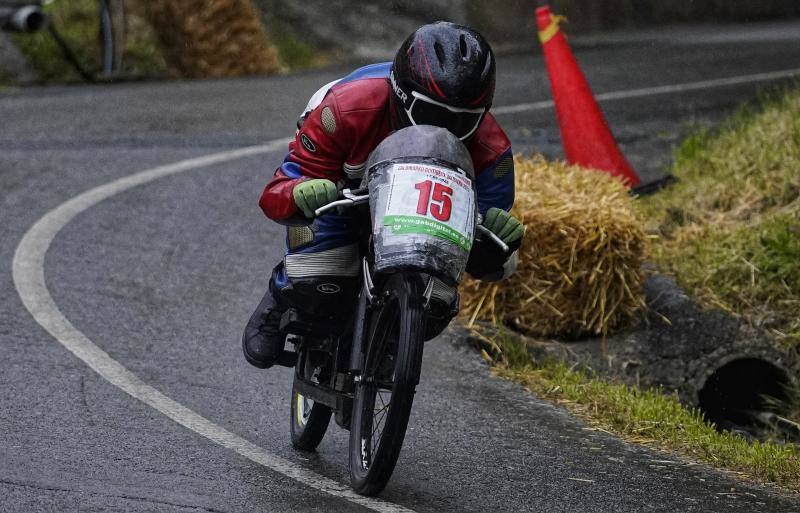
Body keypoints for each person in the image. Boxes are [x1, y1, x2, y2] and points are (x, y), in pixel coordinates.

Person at [243, 21, 525, 369]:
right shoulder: (342, 110)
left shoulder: (493, 152)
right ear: (401, 94)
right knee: (316, 280)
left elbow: (490, 260)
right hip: (346, 200)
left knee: (437, 302)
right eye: (431, 113)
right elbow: (275, 192)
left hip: (423, 221)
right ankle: (278, 295)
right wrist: (302, 191)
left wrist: (497, 239)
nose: (441, 129)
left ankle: (388, 339)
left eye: (461, 121)